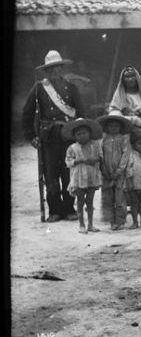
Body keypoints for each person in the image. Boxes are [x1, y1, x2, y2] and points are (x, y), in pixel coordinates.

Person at [22, 50, 85, 222]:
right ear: (46, 71)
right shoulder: (39, 89)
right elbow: (27, 114)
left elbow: (80, 113)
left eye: (58, 68)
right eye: (51, 69)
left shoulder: (72, 88)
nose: (55, 71)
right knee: (51, 174)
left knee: (69, 171)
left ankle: (69, 208)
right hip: (48, 137)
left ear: (62, 69)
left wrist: (82, 136)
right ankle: (55, 210)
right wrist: (31, 136)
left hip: (68, 136)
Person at [62, 118, 103, 234]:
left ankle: (90, 224)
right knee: (80, 201)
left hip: (91, 176)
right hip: (79, 177)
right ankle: (81, 224)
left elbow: (100, 156)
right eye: (78, 134)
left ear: (90, 133)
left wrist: (95, 159)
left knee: (90, 201)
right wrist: (78, 161)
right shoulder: (72, 148)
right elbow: (68, 161)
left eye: (84, 133)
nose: (82, 136)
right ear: (74, 136)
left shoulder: (95, 145)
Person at [97, 112, 131, 230]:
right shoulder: (103, 139)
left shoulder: (123, 139)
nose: (113, 128)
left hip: (119, 173)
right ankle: (111, 220)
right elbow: (100, 155)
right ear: (106, 127)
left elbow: (125, 155)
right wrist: (104, 169)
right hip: (106, 172)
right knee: (108, 196)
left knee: (120, 197)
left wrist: (119, 170)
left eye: (116, 126)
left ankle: (120, 220)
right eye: (111, 126)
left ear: (120, 127)